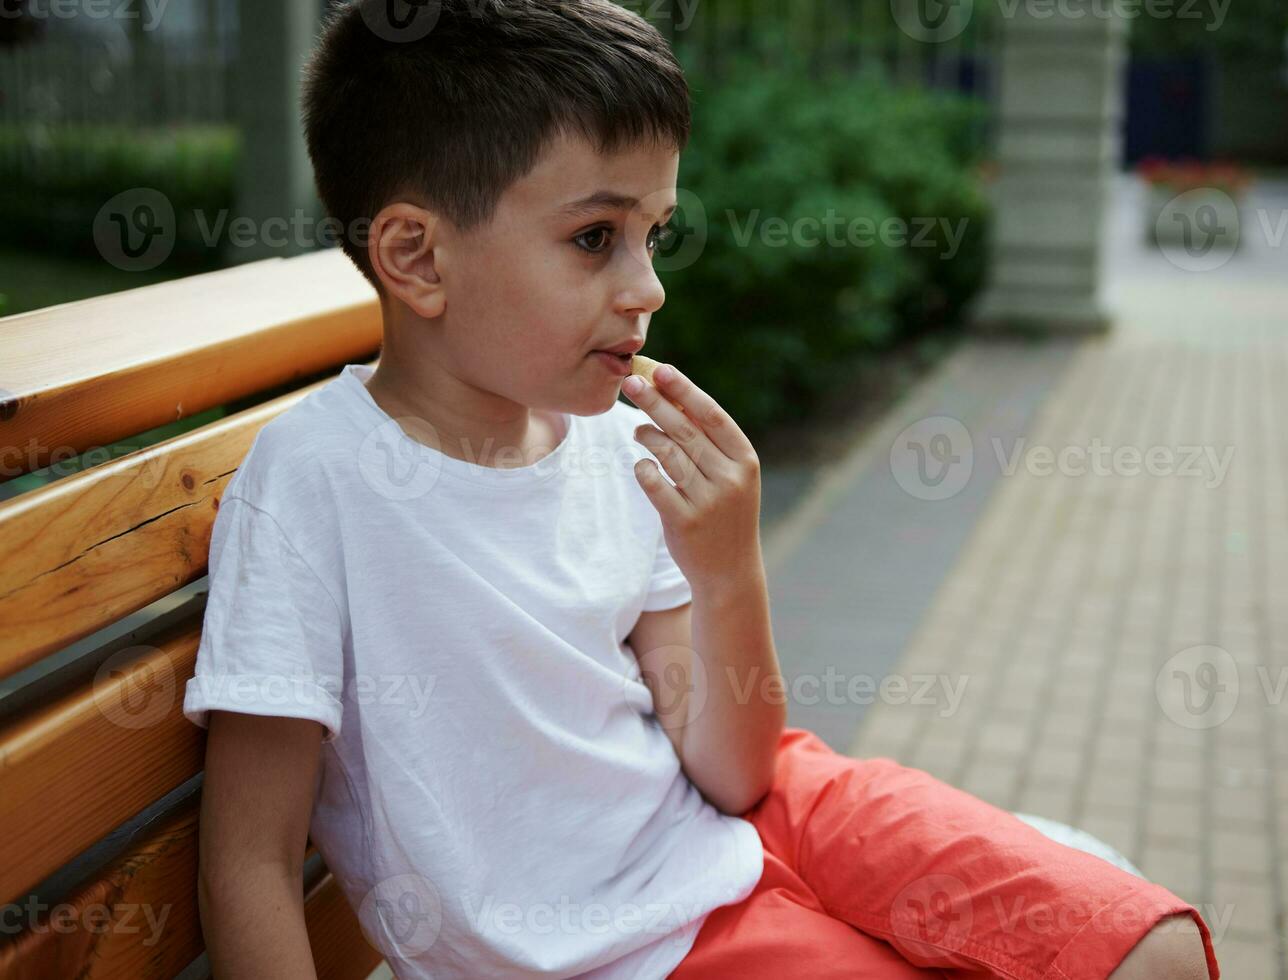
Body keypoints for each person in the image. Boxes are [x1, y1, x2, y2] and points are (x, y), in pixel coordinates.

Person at [184, 2, 1219, 977]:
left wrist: (727, 566)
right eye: (596, 238)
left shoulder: (614, 439)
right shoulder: (318, 482)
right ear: (416, 255)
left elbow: (734, 770)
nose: (648, 286)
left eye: (654, 235)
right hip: (635, 944)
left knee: (1150, 947)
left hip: (772, 811)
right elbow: (252, 859)